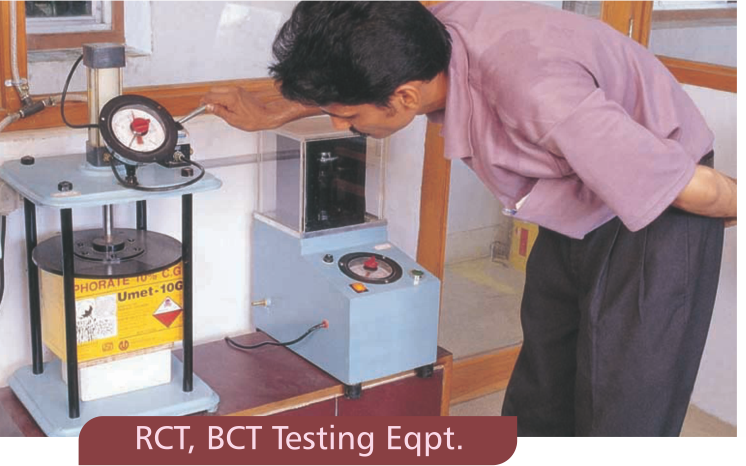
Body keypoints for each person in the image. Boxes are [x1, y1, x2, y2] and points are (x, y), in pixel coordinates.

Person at [200, 1, 736, 436]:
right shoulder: (425, 29)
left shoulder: (539, 94)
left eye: (347, 116)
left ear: (404, 97)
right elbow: (360, 73)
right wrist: (278, 108)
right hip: (577, 199)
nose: (340, 125)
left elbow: (692, 186)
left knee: (626, 401)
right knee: (544, 379)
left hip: (662, 201)